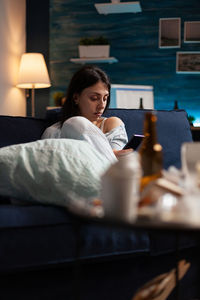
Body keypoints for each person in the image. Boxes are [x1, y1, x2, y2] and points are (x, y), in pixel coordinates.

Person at [42, 65, 129, 162]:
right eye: (94, 98)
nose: (102, 105)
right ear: (76, 98)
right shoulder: (53, 133)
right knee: (75, 123)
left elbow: (116, 166)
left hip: (108, 175)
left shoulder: (111, 124)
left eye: (105, 98)